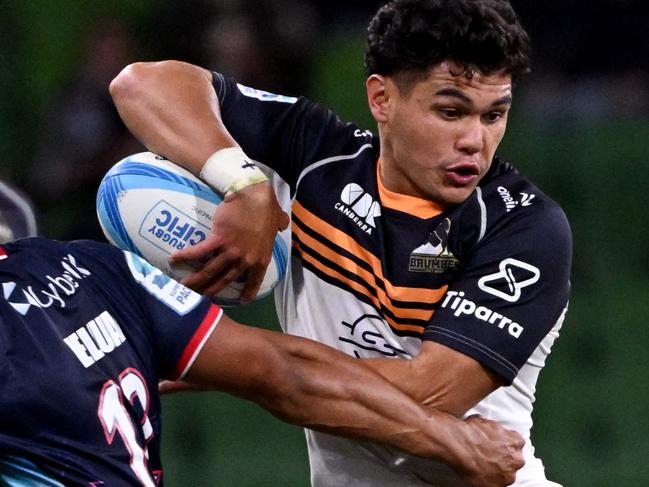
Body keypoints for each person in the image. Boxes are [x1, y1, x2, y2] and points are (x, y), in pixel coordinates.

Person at [109, 0, 572, 485]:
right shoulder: (314, 156)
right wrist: (242, 184)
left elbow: (422, 400)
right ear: (382, 99)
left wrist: (221, 359)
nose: (475, 140)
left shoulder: (525, 227)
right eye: (451, 111)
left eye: (494, 115)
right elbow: (140, 84)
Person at [0, 189, 523, 486]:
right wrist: (455, 440)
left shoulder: (88, 266)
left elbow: (286, 374)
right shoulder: (87, 266)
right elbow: (287, 374)